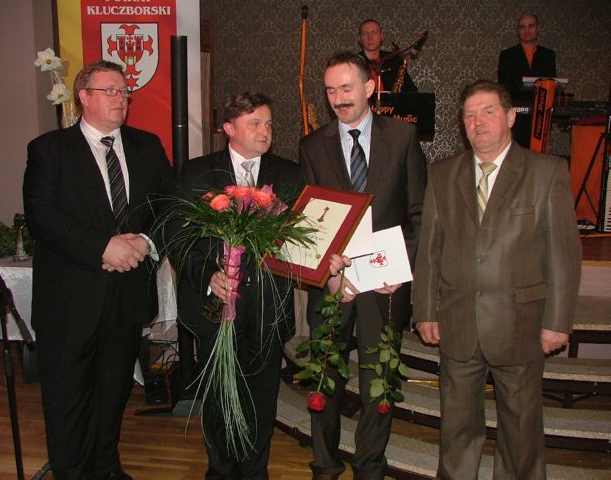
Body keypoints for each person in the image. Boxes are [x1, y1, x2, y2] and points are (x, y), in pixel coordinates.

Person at [412, 80, 581, 479]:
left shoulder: (546, 172)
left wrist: (557, 321)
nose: (478, 122)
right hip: (458, 323)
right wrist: (425, 310)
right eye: (469, 115)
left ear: (509, 117)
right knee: (456, 431)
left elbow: (563, 253)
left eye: (488, 112)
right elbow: (429, 249)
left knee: (521, 433)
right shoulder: (442, 174)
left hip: (521, 324)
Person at [23, 60, 174, 480]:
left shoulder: (147, 146)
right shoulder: (49, 150)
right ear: (83, 96)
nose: (120, 98)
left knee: (112, 394)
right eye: (109, 90)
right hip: (70, 301)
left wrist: (144, 243)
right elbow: (42, 216)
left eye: (124, 91)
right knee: (68, 399)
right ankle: (72, 473)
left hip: (126, 298)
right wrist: (103, 247)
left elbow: (169, 208)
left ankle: (107, 469)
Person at [299, 51, 427, 480]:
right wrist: (326, 271)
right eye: (330, 90)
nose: (338, 98)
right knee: (325, 381)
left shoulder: (403, 138)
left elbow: (418, 214)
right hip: (333, 286)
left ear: (370, 87)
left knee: (379, 384)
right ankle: (325, 466)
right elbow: (310, 223)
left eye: (346, 88)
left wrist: (399, 270)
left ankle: (370, 467)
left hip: (384, 285)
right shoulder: (312, 145)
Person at [164, 92, 304, 479]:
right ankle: (221, 472)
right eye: (255, 123)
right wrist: (207, 274)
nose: (265, 131)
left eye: (269, 123)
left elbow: (304, 236)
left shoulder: (289, 174)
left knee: (262, 397)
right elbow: (177, 235)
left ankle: (256, 472)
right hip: (214, 307)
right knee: (219, 396)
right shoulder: (197, 173)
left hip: (267, 308)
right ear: (229, 128)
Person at [498, 13, 557, 147]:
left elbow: (551, 83)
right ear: (517, 31)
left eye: (531, 26)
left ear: (538, 29)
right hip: (516, 114)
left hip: (541, 112)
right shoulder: (507, 55)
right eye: (522, 27)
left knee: (538, 153)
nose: (527, 30)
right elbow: (503, 87)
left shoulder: (548, 55)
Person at [358, 18, 417, 95]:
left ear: (381, 36)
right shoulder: (352, 63)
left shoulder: (394, 60)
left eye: (374, 33)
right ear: (359, 38)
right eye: (365, 34)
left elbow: (411, 91)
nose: (370, 38)